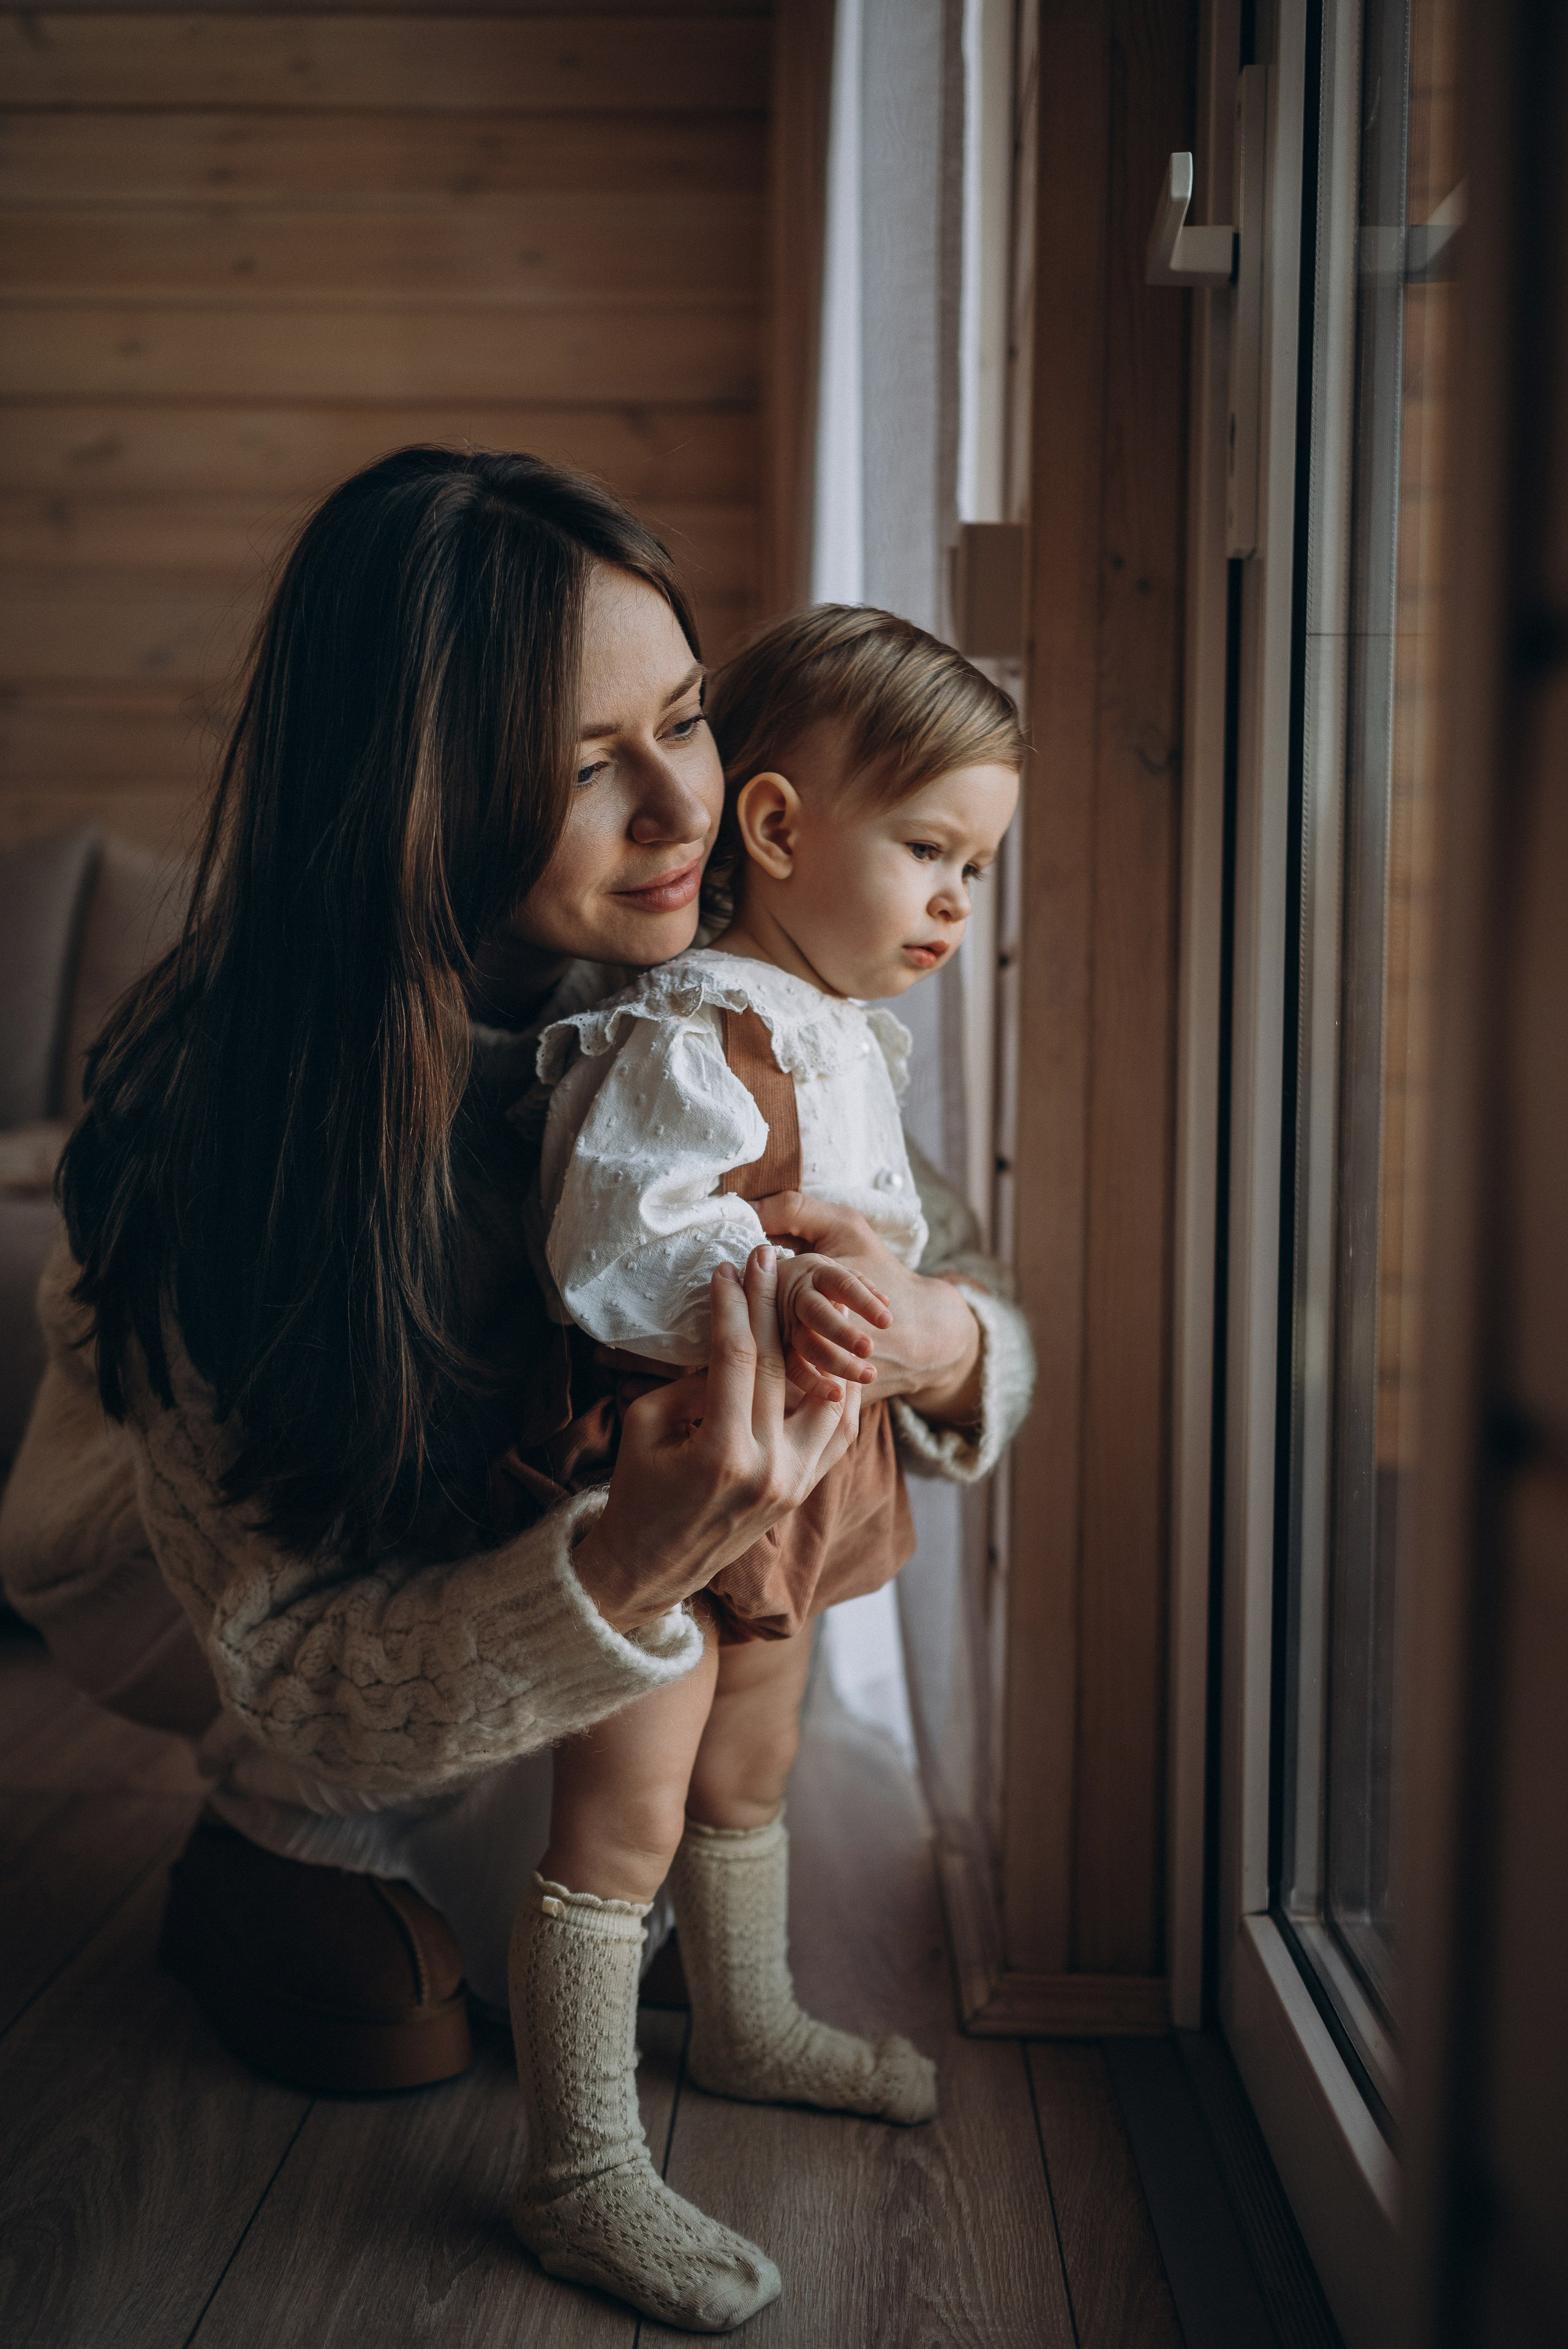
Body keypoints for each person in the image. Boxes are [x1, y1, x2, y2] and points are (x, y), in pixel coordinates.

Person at [0, 450, 1035, 2335]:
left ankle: (701, 2002)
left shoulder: (737, 976)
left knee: (654, 1821)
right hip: (210, 1603)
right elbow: (293, 1643)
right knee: (398, 2001)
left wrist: (946, 1342)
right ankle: (266, 1850)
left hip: (512, 1549)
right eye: (580, 765)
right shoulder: (228, 1125)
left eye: (691, 722)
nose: (676, 808)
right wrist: (627, 1563)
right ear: (411, 795)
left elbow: (946, 1261)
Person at [500, 607, 1023, 2326]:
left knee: (756, 1752)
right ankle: (576, 2161)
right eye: (931, 852)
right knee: (627, 1800)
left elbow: (916, 1256)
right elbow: (613, 1246)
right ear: (783, 830)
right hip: (676, 1461)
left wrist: (911, 1313)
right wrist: (781, 1286)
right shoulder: (691, 1029)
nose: (958, 902)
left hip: (803, 1467)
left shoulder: (839, 1030)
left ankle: (743, 2017)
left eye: (977, 866)